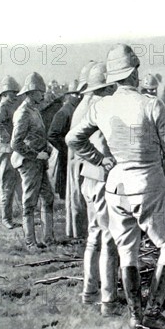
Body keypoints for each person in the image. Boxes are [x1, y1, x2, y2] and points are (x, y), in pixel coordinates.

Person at [67, 43, 165, 329]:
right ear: (134, 73)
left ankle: (135, 316)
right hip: (148, 182)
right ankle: (153, 313)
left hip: (115, 186)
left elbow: (73, 139)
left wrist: (102, 160)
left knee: (126, 251)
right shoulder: (151, 104)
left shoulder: (101, 106)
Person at [66, 62, 120, 315]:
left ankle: (89, 291)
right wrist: (100, 159)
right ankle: (108, 300)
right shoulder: (99, 106)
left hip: (89, 178)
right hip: (101, 178)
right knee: (109, 238)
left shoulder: (82, 105)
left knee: (94, 236)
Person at [10, 72, 55, 250]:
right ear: (31, 92)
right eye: (40, 92)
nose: (43, 95)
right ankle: (30, 243)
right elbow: (15, 143)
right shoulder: (22, 113)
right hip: (29, 164)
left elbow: (37, 135)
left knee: (48, 197)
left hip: (39, 163)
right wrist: (36, 155)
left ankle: (49, 239)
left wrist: (47, 148)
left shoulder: (34, 110)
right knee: (29, 203)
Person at [65, 62, 97, 239]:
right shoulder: (88, 105)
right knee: (82, 199)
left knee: (78, 197)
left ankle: (78, 233)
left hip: (78, 158)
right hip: (82, 160)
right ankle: (81, 234)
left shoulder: (83, 104)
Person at [0, 75, 23, 229]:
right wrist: (8, 138)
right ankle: (6, 219)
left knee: (18, 184)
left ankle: (24, 216)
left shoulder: (11, 106)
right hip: (6, 150)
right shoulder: (2, 107)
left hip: (13, 149)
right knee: (7, 185)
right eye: (12, 93)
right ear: (4, 93)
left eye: (16, 92)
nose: (15, 95)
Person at [47, 80, 83, 200]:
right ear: (69, 95)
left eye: (80, 94)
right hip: (67, 154)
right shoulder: (64, 111)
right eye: (75, 94)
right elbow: (52, 135)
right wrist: (66, 147)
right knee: (67, 187)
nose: (78, 96)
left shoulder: (78, 109)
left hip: (77, 153)